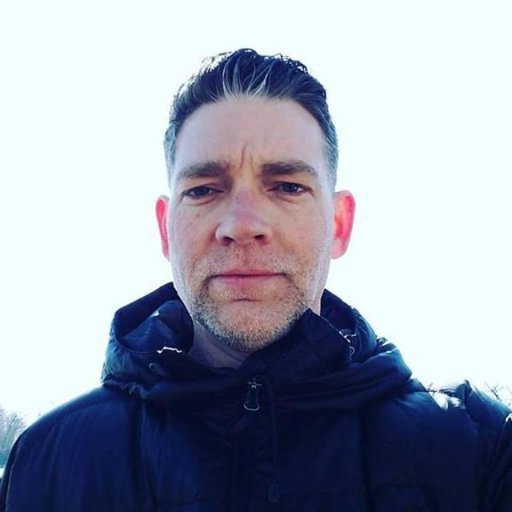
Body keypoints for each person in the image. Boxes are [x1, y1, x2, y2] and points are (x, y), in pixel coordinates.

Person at [1, 49, 511, 511]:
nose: (242, 224)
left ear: (339, 225)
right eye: (204, 190)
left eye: (287, 186)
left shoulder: (478, 452)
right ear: (165, 230)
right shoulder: (48, 463)